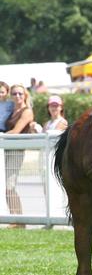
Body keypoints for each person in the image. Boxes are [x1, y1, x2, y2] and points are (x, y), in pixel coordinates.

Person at [5, 84, 34, 227]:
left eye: (20, 94)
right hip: (6, 150)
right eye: (14, 93)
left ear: (25, 95)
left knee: (9, 186)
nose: (17, 96)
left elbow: (16, 131)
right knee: (7, 186)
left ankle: (18, 220)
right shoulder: (10, 111)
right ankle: (16, 219)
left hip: (16, 151)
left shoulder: (26, 111)